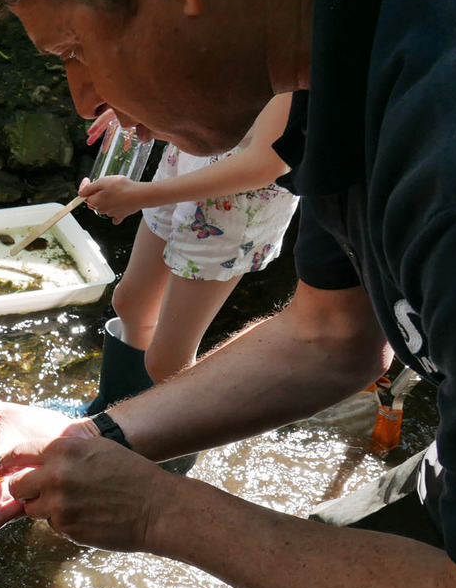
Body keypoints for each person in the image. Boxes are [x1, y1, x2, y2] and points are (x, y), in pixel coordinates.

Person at [0, 0, 456, 588]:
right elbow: (329, 337)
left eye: (74, 50)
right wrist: (93, 438)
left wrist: (161, 512)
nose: (83, 100)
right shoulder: (336, 69)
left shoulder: (446, 154)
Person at [81, 95, 296, 390]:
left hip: (236, 200)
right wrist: (139, 106)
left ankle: (173, 418)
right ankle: (118, 403)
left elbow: (266, 163)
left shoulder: (294, 72)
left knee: (167, 360)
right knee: (131, 303)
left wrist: (137, 196)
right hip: (186, 157)